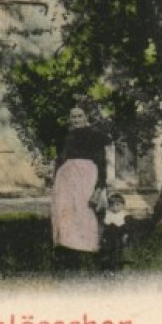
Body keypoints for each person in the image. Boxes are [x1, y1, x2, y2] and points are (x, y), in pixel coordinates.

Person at [51, 101, 109, 257]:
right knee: (66, 209)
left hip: (87, 175)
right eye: (73, 116)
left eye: (79, 116)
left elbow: (102, 162)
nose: (76, 119)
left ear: (86, 117)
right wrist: (55, 175)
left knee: (84, 208)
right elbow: (61, 158)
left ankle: (87, 245)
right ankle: (68, 244)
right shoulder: (66, 136)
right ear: (69, 118)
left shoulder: (95, 135)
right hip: (66, 177)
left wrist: (99, 187)